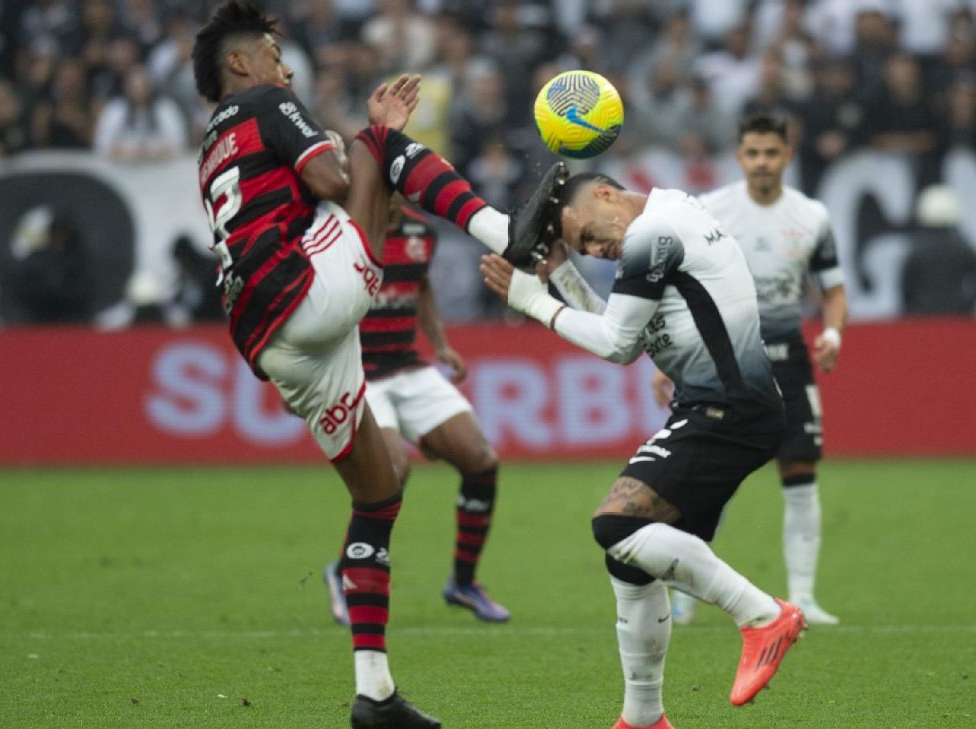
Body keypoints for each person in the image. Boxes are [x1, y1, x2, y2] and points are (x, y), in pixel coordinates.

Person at [192, 3, 509, 727]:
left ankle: (375, 693)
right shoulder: (268, 102)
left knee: (377, 493)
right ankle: (501, 230)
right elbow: (338, 181)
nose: (287, 66)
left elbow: (279, 206)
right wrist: (368, 142)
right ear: (241, 64)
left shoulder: (210, 147)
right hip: (307, 297)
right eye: (274, 54)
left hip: (270, 339)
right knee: (375, 142)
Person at [480, 163, 806, 729]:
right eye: (583, 248)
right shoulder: (670, 212)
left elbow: (614, 344)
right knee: (630, 563)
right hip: (727, 408)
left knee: (617, 525)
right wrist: (565, 278)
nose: (595, 250)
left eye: (588, 235)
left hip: (725, 409)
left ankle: (762, 615)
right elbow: (625, 337)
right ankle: (643, 718)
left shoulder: (654, 233)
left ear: (605, 194)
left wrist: (532, 301)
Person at [651, 113, 847, 628]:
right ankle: (684, 595)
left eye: (772, 153)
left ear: (788, 155)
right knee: (706, 476)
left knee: (800, 474)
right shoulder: (712, 212)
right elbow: (676, 284)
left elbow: (832, 288)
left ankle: (803, 597)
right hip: (721, 358)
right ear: (739, 157)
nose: (762, 163)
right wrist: (666, 355)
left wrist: (833, 331)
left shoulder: (812, 216)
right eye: (753, 153)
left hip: (788, 356)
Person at [324, 199, 509, 626]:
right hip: (359, 374)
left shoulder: (418, 233)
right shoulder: (341, 231)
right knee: (391, 472)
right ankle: (343, 571)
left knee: (482, 461)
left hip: (409, 368)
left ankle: (463, 583)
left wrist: (441, 344)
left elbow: (420, 285)